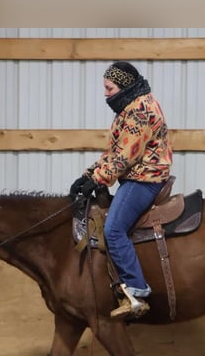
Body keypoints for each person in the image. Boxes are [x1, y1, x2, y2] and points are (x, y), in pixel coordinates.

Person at [69, 61, 173, 320]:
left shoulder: (140, 110)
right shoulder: (129, 106)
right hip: (134, 175)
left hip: (145, 179)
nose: (105, 93)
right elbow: (114, 152)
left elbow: (126, 155)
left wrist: (100, 179)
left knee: (113, 230)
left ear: (123, 86)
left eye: (109, 87)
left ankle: (137, 290)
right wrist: (89, 175)